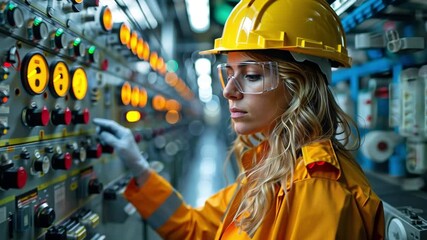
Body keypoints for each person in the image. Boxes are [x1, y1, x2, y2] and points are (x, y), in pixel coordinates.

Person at [93, 0, 385, 239]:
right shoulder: (271, 167)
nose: (229, 91)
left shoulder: (316, 186)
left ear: (301, 85)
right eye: (229, 74)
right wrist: (141, 171)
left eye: (252, 76)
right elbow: (194, 227)